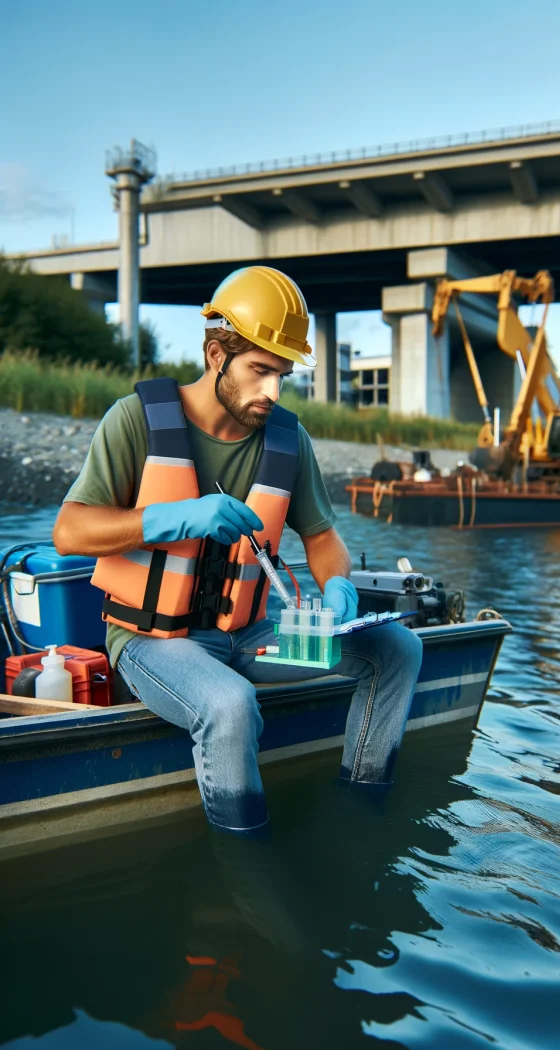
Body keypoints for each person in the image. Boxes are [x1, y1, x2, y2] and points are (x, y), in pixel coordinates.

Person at [53, 266, 422, 835]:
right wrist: (175, 516)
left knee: (396, 648)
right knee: (228, 706)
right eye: (260, 370)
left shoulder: (287, 439)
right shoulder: (134, 421)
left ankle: (362, 804)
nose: (272, 391)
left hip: (252, 639)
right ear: (215, 355)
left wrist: (337, 585)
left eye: (284, 374)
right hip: (151, 643)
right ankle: (247, 853)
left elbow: (322, 537)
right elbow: (70, 532)